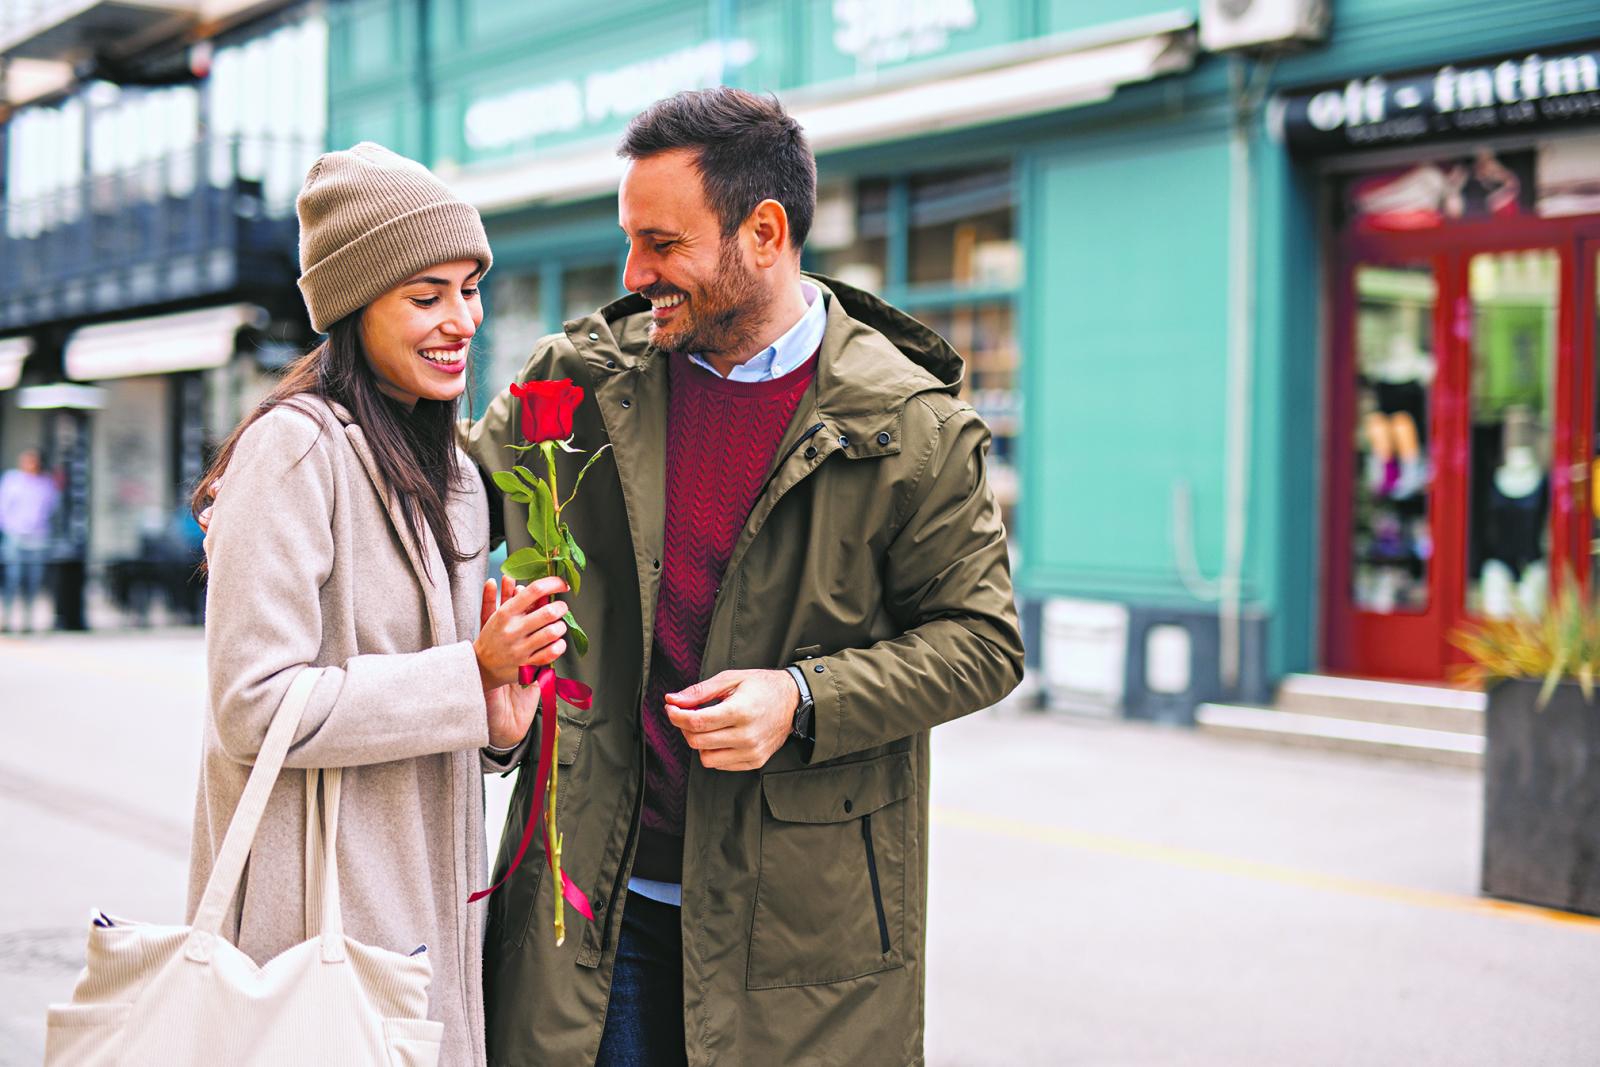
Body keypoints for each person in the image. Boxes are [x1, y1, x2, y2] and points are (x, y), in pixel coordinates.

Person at [465, 87, 1024, 1066]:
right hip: (593, 918)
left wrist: (803, 697)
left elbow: (984, 642)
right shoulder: (575, 382)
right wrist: (300, 452)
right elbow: (444, 501)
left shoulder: (913, 428)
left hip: (802, 935)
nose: (634, 275)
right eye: (630, 242)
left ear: (763, 233)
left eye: (661, 244)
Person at [189, 142, 569, 1067]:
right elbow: (252, 706)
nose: (461, 320)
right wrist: (465, 674)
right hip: (311, 934)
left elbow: (442, 703)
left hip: (432, 929)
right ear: (355, 308)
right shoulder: (292, 453)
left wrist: (495, 721)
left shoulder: (458, 482)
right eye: (426, 296)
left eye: (469, 290)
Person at [0, 446, 59, 633]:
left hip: (38, 537)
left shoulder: (46, 483)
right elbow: (3, 506)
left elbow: (52, 508)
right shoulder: (12, 480)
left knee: (33, 580)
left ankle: (28, 620)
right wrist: (9, 527)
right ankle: (7, 618)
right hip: (15, 535)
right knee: (13, 577)